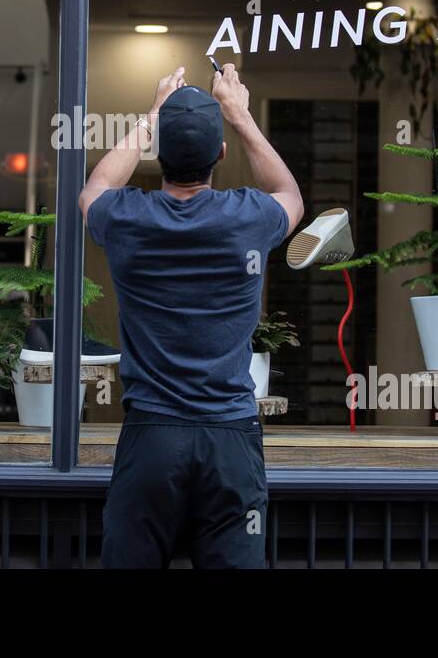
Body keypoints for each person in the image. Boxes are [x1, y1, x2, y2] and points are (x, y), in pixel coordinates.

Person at [79, 63, 305, 568]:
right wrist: (239, 114)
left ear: (158, 153)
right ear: (220, 155)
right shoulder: (247, 217)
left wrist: (152, 113)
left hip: (152, 437)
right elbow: (290, 195)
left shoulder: (127, 218)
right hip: (230, 439)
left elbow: (94, 188)